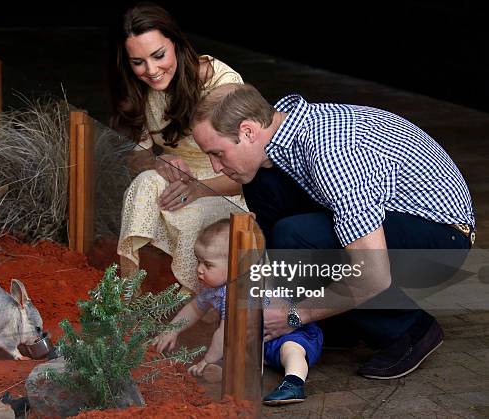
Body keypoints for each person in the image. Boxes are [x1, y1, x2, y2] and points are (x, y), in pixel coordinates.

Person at [190, 83, 475, 379]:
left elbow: (374, 274)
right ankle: (342, 324)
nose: (216, 166)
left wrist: (295, 315)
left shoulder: (331, 153)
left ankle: (410, 329)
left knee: (298, 235)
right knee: (264, 183)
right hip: (397, 222)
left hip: (442, 241)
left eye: (218, 153)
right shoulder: (281, 135)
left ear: (248, 131)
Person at [109, 2, 246, 293]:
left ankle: (192, 304)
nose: (151, 70)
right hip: (177, 184)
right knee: (145, 183)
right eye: (138, 62)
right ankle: (131, 292)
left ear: (177, 44)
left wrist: (197, 187)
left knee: (193, 215)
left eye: (159, 55)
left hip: (225, 188)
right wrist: (159, 162)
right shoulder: (138, 88)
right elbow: (136, 156)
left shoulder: (222, 84)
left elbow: (248, 175)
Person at [153, 219, 323, 405]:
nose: (199, 270)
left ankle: (293, 382)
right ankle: (223, 369)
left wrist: (206, 360)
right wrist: (173, 329)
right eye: (198, 261)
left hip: (288, 333)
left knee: (291, 350)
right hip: (256, 343)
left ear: (235, 267)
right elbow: (194, 308)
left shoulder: (240, 290)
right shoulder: (215, 289)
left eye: (208, 265)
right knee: (235, 353)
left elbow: (224, 331)